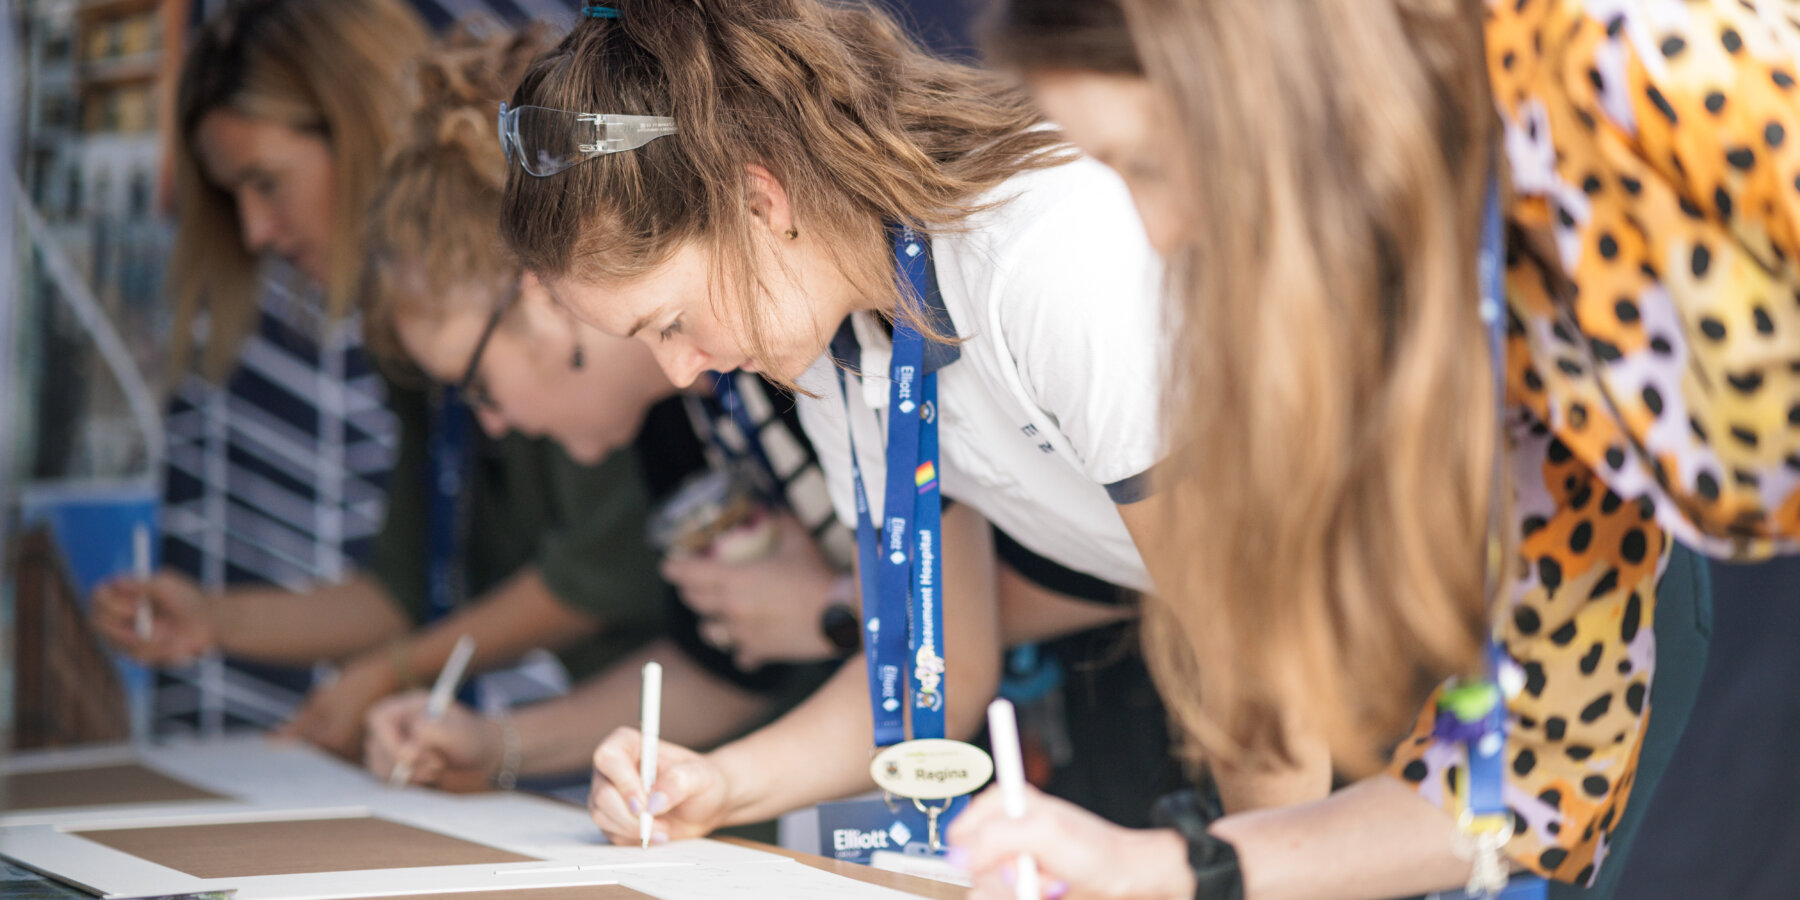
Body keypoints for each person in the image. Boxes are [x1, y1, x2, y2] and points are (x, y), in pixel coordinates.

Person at [950, 0, 1800, 897]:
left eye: (1147, 164)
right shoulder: (1483, 309)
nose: (1159, 231)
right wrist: (1167, 866)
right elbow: (1528, 780)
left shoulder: (1622, 59)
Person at [498, 0, 1324, 848]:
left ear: (759, 199)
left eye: (669, 322)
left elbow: (1254, 650)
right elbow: (940, 667)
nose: (679, 369)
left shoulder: (1041, 256)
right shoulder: (833, 343)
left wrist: (1247, 872)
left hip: (1391, 667)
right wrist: (717, 786)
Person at [90, 8, 666, 760]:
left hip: (706, 743)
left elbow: (599, 572)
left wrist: (395, 673)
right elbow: (405, 585)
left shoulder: (532, 296)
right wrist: (214, 621)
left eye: (265, 182)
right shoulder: (422, 332)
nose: (257, 230)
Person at [351, 30, 850, 790]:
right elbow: (722, 667)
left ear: (545, 294)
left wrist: (835, 610)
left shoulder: (793, 334)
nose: (492, 424)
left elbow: (999, 572)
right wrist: (495, 746)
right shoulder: (676, 419)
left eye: (479, 386)